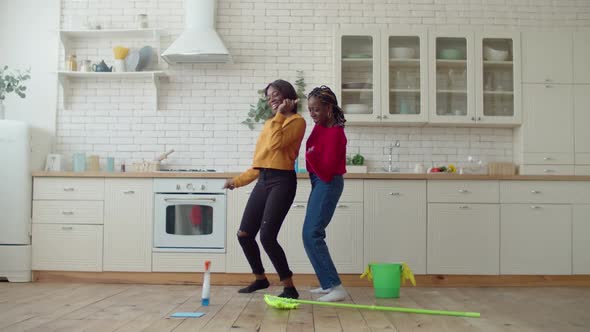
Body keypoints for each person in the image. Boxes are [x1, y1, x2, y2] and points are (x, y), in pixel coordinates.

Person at [223, 79, 306, 299]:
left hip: (282, 182)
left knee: (268, 236)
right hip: (263, 180)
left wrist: (280, 115)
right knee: (244, 234)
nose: (271, 99)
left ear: (288, 96)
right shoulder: (271, 123)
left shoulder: (297, 121)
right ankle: (260, 279)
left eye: (275, 94)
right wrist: (238, 181)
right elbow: (261, 161)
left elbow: (275, 145)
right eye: (268, 96)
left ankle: (289, 287)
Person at [302, 85, 348, 302]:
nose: (312, 114)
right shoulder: (320, 127)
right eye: (310, 110)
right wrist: (311, 156)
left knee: (312, 233)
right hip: (318, 181)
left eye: (316, 110)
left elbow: (327, 169)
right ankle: (327, 284)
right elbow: (311, 149)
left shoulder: (336, 133)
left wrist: (310, 157)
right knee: (309, 234)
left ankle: (335, 287)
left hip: (328, 182)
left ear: (329, 108)